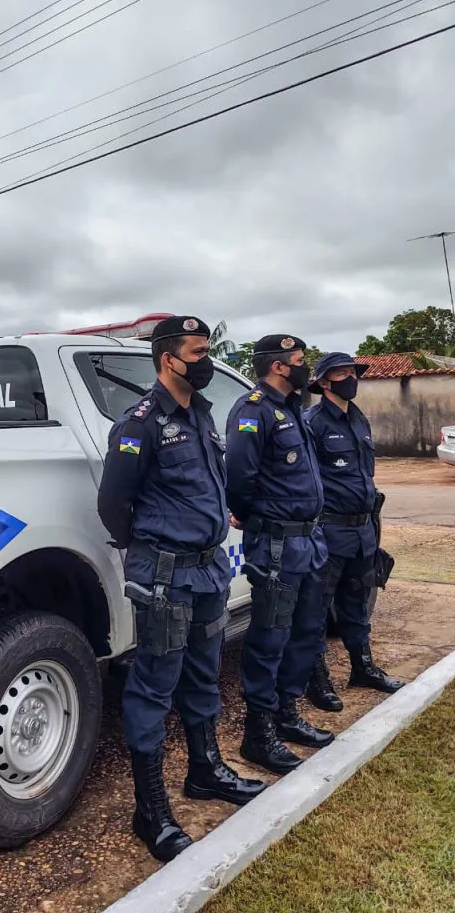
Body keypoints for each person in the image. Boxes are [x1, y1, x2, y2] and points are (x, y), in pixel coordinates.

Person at [98, 316, 266, 864]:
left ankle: (205, 770)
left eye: (208, 349)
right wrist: (151, 552)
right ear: (169, 359)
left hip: (210, 571)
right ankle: (150, 811)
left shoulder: (203, 415)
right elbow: (113, 506)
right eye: (199, 351)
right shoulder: (140, 423)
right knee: (153, 688)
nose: (207, 359)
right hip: (166, 576)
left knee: (202, 673)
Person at [225, 334, 334, 776]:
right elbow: (240, 478)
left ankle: (287, 713)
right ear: (277, 367)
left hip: (309, 540)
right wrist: (255, 518)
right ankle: (259, 731)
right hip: (276, 542)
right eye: (299, 360)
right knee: (270, 636)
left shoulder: (293, 409)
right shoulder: (252, 409)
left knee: (307, 630)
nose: (305, 366)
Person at [303, 352, 405, 711]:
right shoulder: (312, 422)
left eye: (353, 371)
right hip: (329, 532)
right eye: (342, 373)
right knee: (316, 612)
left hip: (362, 530)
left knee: (357, 605)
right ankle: (318, 682)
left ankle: (363, 669)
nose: (351, 378)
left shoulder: (358, 418)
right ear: (323, 381)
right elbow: (308, 482)